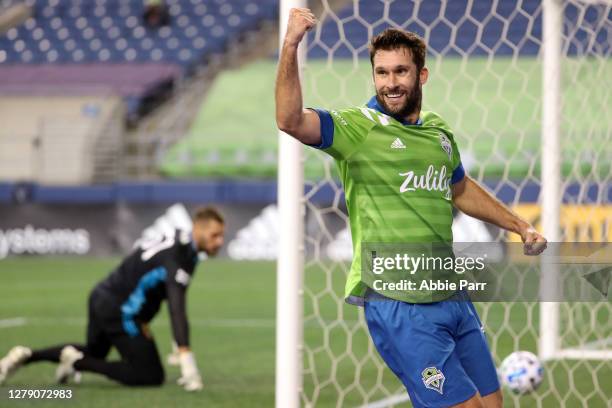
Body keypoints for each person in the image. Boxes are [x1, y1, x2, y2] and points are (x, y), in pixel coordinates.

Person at [275, 8, 547, 408]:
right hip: (399, 303)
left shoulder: (438, 131)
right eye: (381, 73)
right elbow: (289, 120)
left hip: (448, 291)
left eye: (400, 71)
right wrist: (291, 45)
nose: (391, 83)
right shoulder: (358, 127)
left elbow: (461, 189)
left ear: (422, 75)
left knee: (491, 402)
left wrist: (520, 226)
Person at [0, 207, 225, 391]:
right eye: (214, 235)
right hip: (122, 310)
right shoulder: (180, 256)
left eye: (221, 236)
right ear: (198, 229)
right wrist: (186, 357)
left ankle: (26, 355)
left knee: (96, 351)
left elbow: (167, 290)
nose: (220, 242)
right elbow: (177, 308)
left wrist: (178, 345)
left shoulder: (177, 241)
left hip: (101, 295)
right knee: (150, 375)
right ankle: (76, 362)